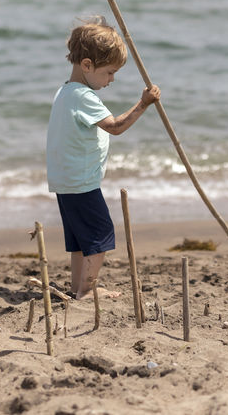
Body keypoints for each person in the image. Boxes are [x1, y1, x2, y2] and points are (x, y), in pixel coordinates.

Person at [46, 16, 160, 300]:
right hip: (81, 181)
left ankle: (77, 287)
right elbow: (116, 126)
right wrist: (143, 104)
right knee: (99, 235)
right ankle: (86, 290)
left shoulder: (65, 91)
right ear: (87, 65)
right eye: (109, 73)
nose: (111, 80)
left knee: (80, 241)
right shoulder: (83, 96)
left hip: (65, 180)